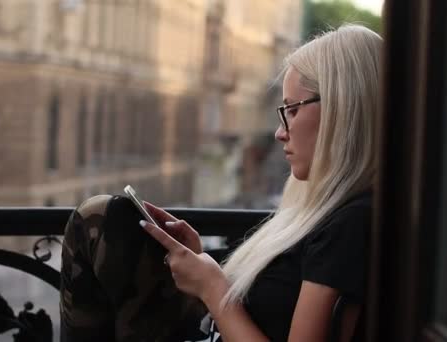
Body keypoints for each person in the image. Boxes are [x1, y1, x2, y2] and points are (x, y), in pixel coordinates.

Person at [139, 24, 382, 342]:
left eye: (293, 110)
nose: (281, 132)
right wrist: (203, 265)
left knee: (103, 224)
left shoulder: (351, 224)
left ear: (344, 110)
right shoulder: (337, 212)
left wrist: (212, 289)